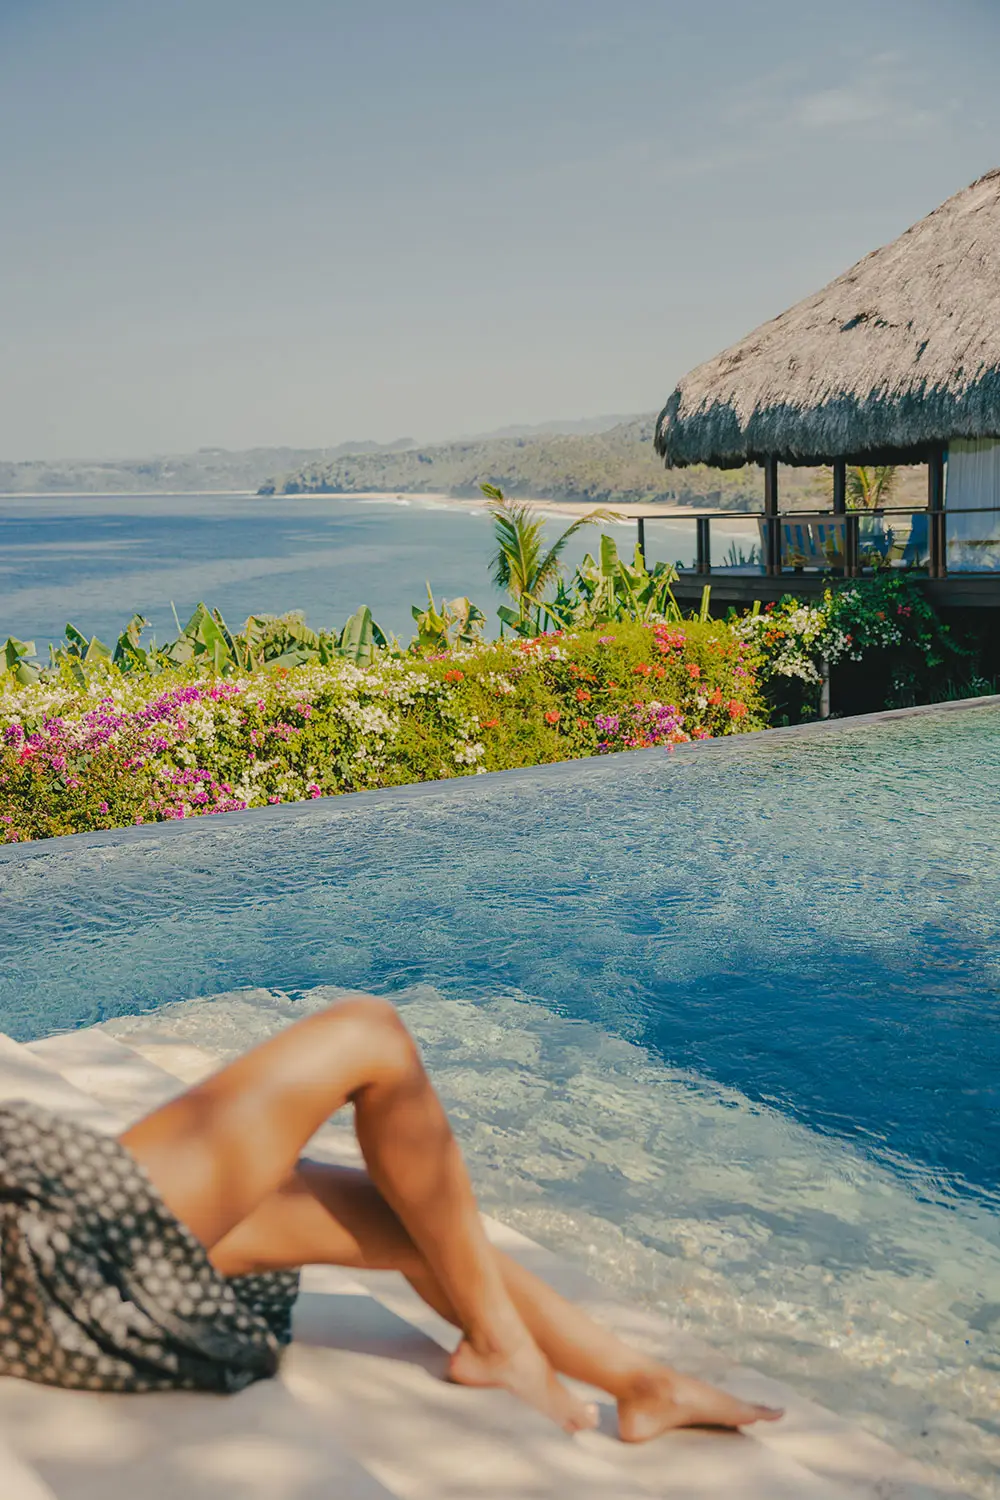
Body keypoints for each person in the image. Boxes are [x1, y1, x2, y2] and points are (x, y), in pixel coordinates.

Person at [0, 995, 782, 1440]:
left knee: (406, 1217)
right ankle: (502, 1344)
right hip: (41, 1247)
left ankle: (644, 1384)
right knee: (367, 1035)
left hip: (42, 1224)